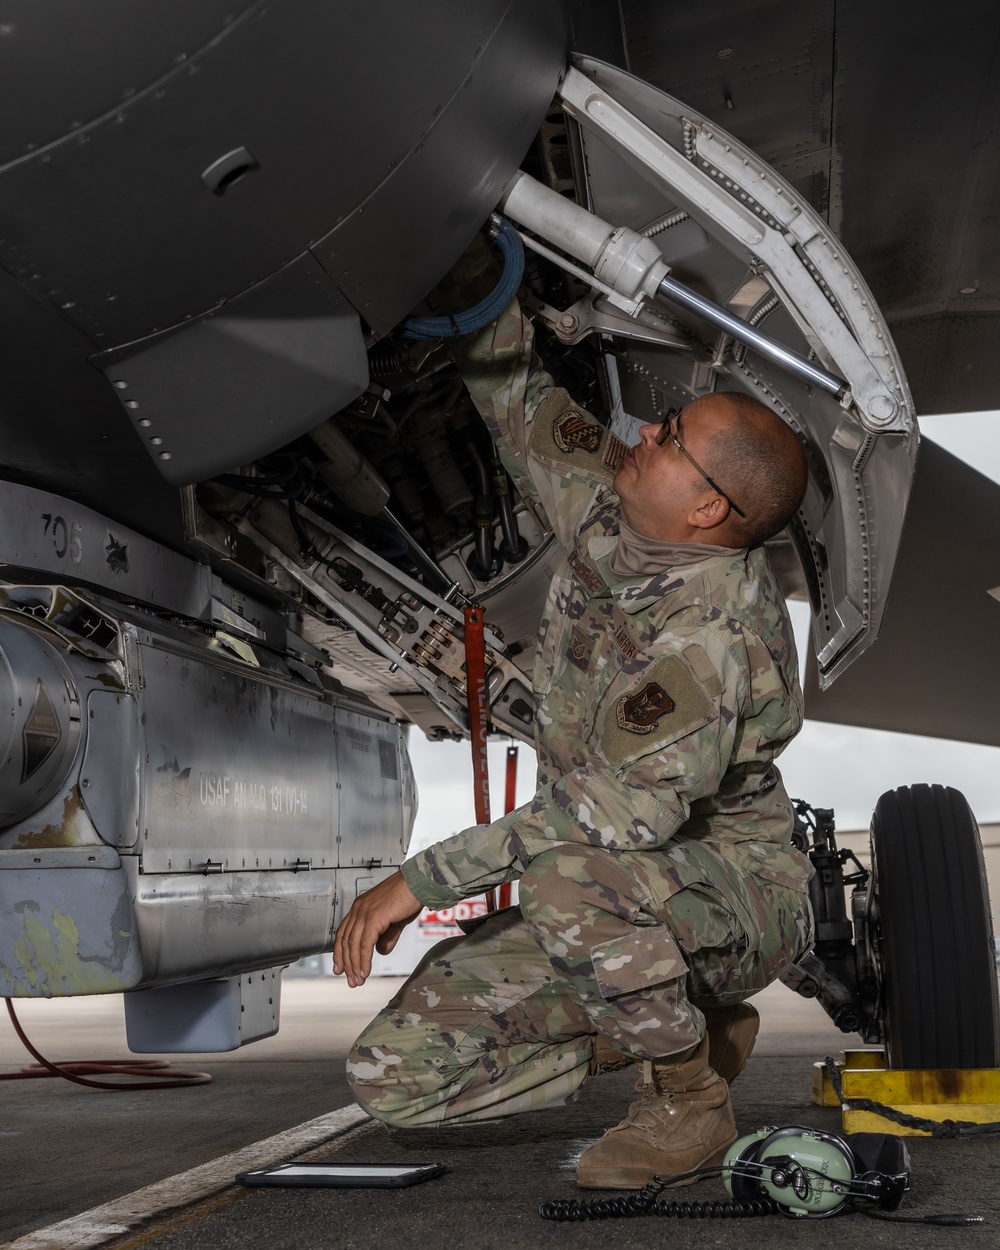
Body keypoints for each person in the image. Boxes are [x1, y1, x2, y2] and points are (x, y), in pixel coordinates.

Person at [333, 297, 814, 1190]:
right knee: (393, 1076)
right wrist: (470, 271)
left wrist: (419, 881)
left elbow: (604, 825)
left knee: (566, 879)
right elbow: (519, 400)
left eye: (670, 436)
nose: (642, 432)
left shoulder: (709, 645)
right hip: (627, 889)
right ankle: (670, 1025)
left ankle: (687, 1097)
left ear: (709, 505)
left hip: (738, 895)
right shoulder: (621, 508)